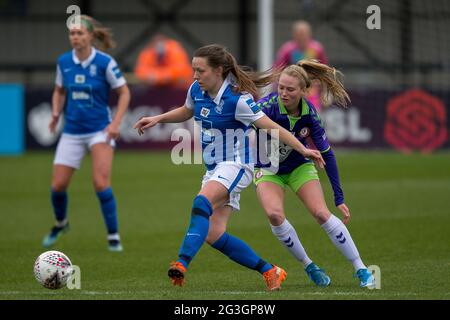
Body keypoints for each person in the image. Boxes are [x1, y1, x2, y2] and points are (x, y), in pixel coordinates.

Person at [133, 44, 325, 290]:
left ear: (218, 71)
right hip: (214, 169)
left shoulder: (238, 100)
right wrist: (158, 118)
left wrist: (302, 148)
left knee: (200, 202)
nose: (195, 76)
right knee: (214, 234)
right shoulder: (196, 90)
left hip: (236, 165)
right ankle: (270, 271)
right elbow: (186, 111)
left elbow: (271, 126)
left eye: (200, 71)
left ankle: (181, 263)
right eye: (194, 70)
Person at [253, 59, 376, 288]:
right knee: (275, 216)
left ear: (303, 90)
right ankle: (310, 266)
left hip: (299, 166)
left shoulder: (309, 114)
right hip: (268, 169)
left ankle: (362, 269)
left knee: (321, 213)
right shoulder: (267, 106)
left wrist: (339, 197)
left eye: (290, 89)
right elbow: (241, 124)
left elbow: (327, 154)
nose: (284, 93)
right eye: (281, 87)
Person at [42, 15, 130, 252]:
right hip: (72, 131)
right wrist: (55, 113)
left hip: (99, 130)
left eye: (80, 33)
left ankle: (113, 236)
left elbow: (124, 93)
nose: (75, 37)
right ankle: (61, 223)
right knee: (58, 185)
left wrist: (115, 123)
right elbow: (59, 91)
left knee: (100, 183)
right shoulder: (63, 62)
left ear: (90, 36)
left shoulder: (104, 62)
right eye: (72, 33)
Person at [274, 20, 328, 111]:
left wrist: (325, 93)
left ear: (309, 34)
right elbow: (277, 70)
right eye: (299, 33)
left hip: (312, 91)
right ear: (294, 34)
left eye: (304, 33)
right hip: (292, 90)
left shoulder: (317, 49)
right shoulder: (287, 49)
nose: (301, 36)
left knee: (312, 114)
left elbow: (324, 71)